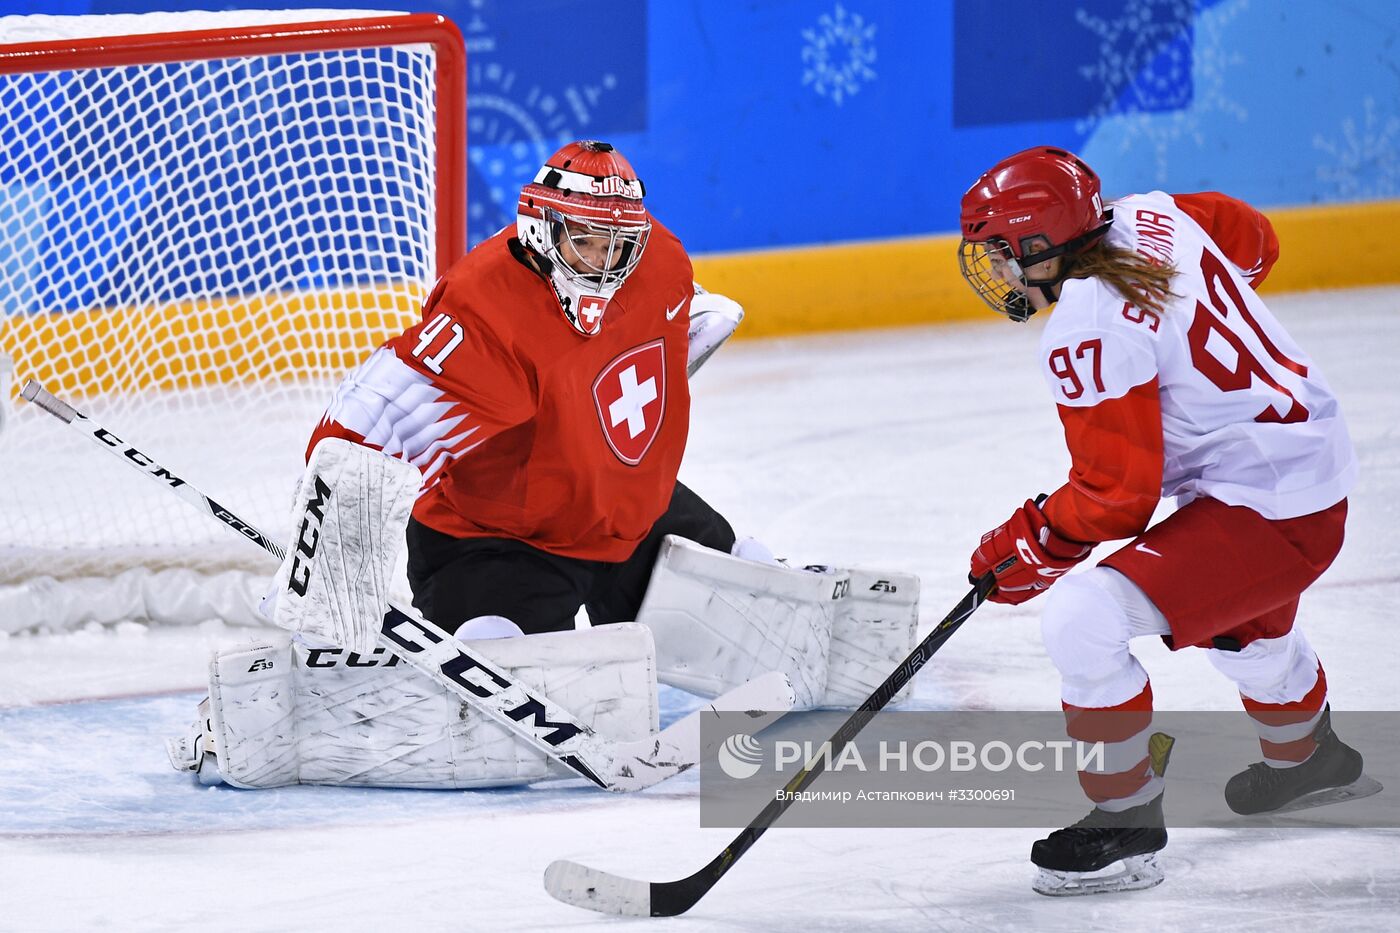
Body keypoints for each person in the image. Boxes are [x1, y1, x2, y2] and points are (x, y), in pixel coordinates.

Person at [956, 146, 1364, 896]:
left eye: (1005, 254)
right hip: (1304, 459)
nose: (1001, 273)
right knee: (1244, 624)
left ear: (1043, 245)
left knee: (1082, 618)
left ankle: (1125, 823)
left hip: (1270, 504)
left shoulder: (1087, 326)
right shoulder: (1155, 213)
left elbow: (1117, 497)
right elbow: (1255, 239)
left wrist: (1031, 540)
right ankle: (1309, 758)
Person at [307, 139, 736, 640]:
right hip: (501, 538)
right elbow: (375, 421)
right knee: (498, 653)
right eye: (585, 239)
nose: (604, 262)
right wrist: (321, 552)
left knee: (734, 580)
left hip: (621, 513)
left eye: (616, 244)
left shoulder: (660, 262)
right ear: (543, 229)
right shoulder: (487, 307)